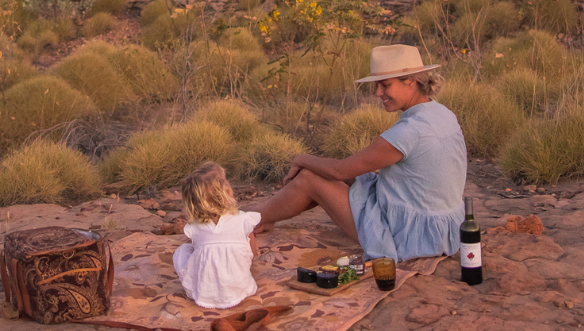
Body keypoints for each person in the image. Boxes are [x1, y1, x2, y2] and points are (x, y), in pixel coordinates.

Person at [255, 45, 466, 261]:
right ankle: (266, 217)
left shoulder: (408, 132)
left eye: (385, 85)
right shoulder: (443, 114)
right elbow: (349, 170)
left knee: (310, 178)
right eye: (377, 86)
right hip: (445, 229)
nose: (378, 93)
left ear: (411, 80)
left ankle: (252, 220)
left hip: (410, 237)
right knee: (352, 177)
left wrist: (300, 159)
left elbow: (338, 171)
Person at [173, 162, 263, 308]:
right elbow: (251, 253)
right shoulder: (243, 219)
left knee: (183, 250)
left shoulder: (194, 226)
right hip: (243, 289)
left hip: (201, 294)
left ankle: (206, 285)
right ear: (226, 193)